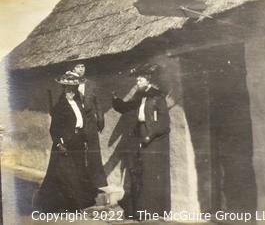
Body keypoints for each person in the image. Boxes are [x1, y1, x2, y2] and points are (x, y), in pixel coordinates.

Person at [112, 63, 171, 219]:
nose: (137, 83)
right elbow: (127, 107)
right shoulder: (140, 96)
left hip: (154, 139)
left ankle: (154, 210)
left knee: (151, 173)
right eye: (137, 80)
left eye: (139, 80)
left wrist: (149, 136)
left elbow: (164, 123)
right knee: (141, 173)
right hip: (142, 135)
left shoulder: (157, 97)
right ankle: (142, 209)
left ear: (148, 80)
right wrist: (116, 101)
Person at [36, 72, 98, 212]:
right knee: (63, 174)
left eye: (73, 89)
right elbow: (54, 129)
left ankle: (80, 201)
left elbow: (81, 121)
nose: (71, 92)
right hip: (65, 144)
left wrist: (84, 138)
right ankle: (63, 204)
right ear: (63, 90)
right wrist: (59, 144)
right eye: (68, 89)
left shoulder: (77, 103)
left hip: (78, 141)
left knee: (79, 171)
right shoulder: (60, 107)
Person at [72, 63, 107, 188]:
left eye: (83, 67)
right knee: (78, 150)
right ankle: (79, 182)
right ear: (73, 69)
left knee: (93, 150)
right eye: (78, 67)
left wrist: (101, 118)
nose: (81, 69)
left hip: (91, 122)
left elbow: (97, 103)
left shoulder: (91, 84)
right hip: (77, 122)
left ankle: (97, 182)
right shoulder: (70, 84)